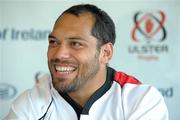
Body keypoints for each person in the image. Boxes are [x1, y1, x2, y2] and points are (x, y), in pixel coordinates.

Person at [5, 4, 168, 120]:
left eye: (75, 43)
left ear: (105, 53)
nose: (59, 54)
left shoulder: (141, 99)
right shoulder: (33, 100)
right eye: (54, 42)